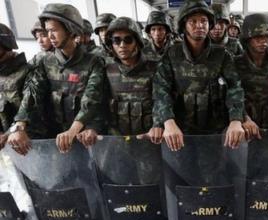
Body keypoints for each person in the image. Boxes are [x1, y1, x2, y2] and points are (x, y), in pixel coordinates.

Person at [8, 3, 106, 153]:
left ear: (71, 29)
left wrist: (72, 131)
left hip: (85, 139)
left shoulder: (94, 62)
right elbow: (32, 94)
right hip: (54, 142)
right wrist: (19, 126)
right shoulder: (45, 62)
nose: (50, 36)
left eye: (54, 30)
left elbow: (91, 99)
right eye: (47, 31)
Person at [152, 0, 245, 151]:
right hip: (179, 131)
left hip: (215, 131)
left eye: (204, 21)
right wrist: (168, 121)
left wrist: (236, 120)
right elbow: (161, 89)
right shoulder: (172, 54)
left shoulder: (222, 55)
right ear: (184, 26)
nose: (200, 25)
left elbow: (235, 87)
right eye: (193, 21)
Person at [78, 17, 163, 146]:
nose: (122, 45)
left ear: (137, 42)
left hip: (148, 141)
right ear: (110, 44)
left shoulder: (155, 68)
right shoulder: (105, 69)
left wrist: (158, 125)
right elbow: (99, 104)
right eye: (116, 40)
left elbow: (161, 101)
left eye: (128, 40)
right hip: (116, 143)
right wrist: (92, 127)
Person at [0, 23, 37, 154]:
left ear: (5, 45)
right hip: (10, 149)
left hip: (35, 145)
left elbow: (29, 107)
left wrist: (14, 131)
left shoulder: (29, 72)